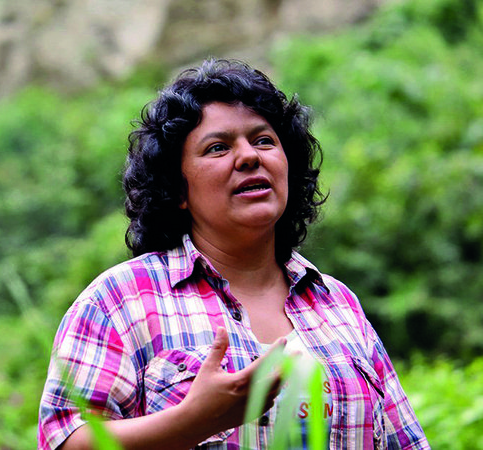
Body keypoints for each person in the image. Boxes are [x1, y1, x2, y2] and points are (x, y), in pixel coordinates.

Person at [38, 59, 428, 449]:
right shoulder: (123, 299)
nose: (249, 156)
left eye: (263, 141)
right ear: (177, 190)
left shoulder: (339, 305)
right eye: (218, 147)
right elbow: (66, 440)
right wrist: (190, 421)